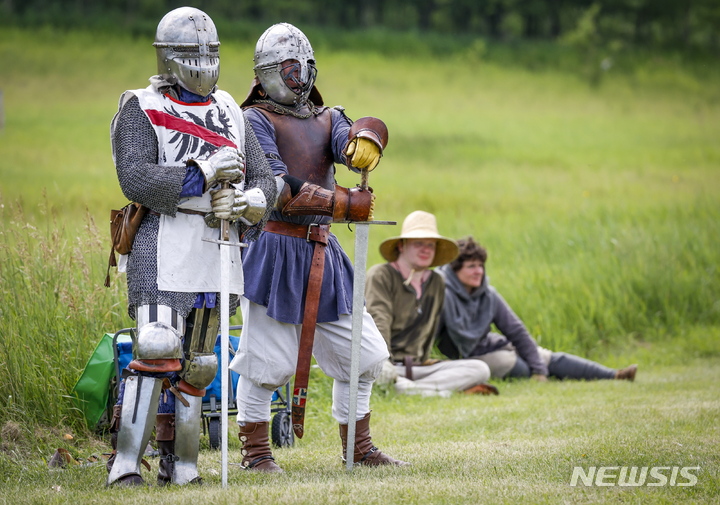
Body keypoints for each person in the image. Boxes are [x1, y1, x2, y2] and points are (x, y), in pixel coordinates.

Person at [106, 7, 276, 486]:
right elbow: (135, 178)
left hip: (217, 247)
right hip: (163, 241)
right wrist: (202, 173)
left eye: (209, 52)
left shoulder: (230, 111)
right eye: (190, 53)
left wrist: (248, 200)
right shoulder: (141, 107)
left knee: (200, 364)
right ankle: (123, 465)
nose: (202, 61)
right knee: (156, 347)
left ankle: (182, 466)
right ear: (168, 57)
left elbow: (267, 181)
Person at [228, 22, 408, 472]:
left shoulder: (328, 116)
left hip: (325, 253)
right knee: (265, 363)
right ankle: (255, 453)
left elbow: (347, 146)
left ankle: (359, 449)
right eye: (290, 68)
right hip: (275, 249)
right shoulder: (254, 120)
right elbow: (278, 188)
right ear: (268, 71)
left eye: (306, 67)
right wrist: (346, 202)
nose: (300, 76)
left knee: (363, 355)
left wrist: (365, 140)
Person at [436, 237, 638, 382]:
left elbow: (516, 330)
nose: (478, 271)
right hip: (471, 359)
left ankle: (615, 375)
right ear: (455, 271)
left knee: (549, 358)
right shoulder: (441, 293)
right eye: (471, 266)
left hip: (495, 346)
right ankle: (546, 375)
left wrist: (539, 369)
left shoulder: (489, 294)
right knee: (518, 366)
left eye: (481, 265)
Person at [365, 211, 499, 397]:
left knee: (480, 368)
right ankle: (427, 390)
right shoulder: (381, 275)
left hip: (420, 368)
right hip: (384, 363)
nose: (426, 249)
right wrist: (383, 361)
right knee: (379, 374)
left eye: (431, 245)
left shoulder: (437, 282)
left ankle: (409, 390)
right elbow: (378, 319)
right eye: (418, 243)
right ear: (402, 246)